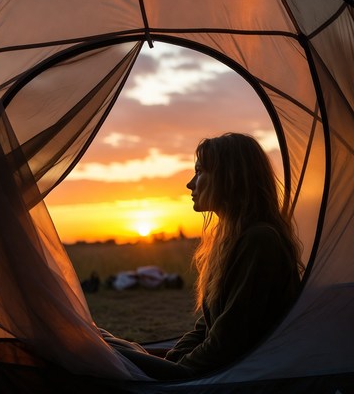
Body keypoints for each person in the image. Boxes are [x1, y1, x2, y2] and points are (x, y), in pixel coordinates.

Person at [104, 132, 303, 379]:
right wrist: (173, 358)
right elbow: (207, 328)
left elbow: (228, 340)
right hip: (208, 368)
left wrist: (173, 374)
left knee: (95, 346)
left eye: (199, 172)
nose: (190, 183)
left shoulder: (260, 240)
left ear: (229, 178)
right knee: (102, 341)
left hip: (232, 374)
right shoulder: (232, 239)